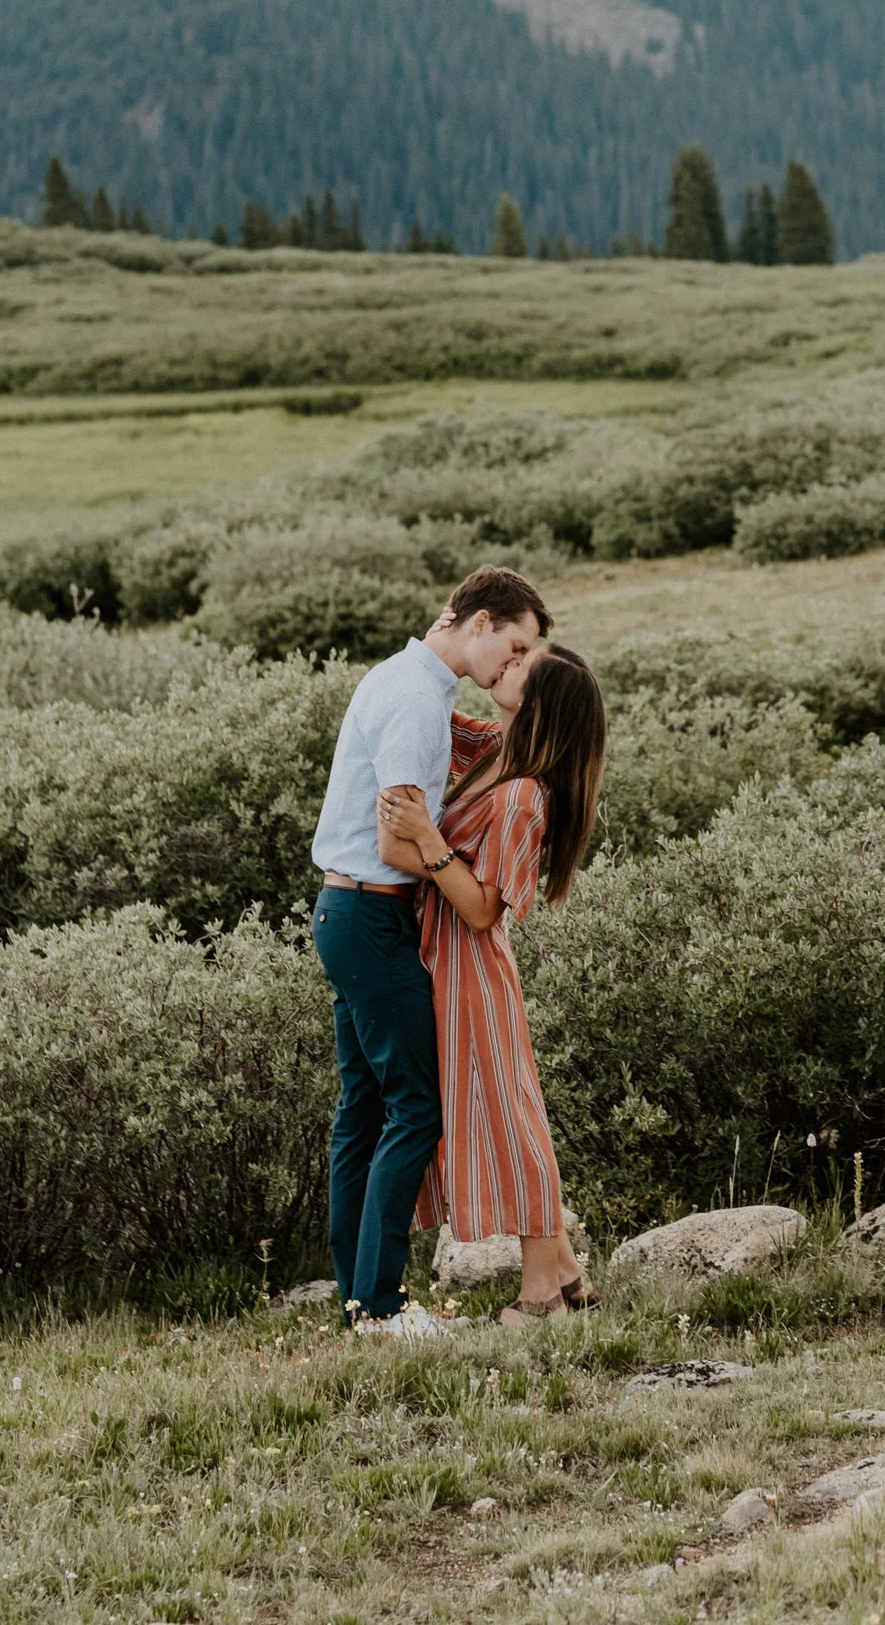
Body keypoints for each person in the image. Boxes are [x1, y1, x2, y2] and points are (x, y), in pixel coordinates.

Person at [310, 567, 551, 1335]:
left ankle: (358, 1300)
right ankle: (380, 1305)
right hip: (374, 916)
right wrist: (452, 861)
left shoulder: (406, 680)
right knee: (413, 1108)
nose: (508, 666)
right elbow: (395, 837)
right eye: (511, 647)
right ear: (478, 622)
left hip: (345, 911)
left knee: (364, 1113)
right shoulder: (418, 699)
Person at [378, 639, 606, 1324]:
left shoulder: (521, 798)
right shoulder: (493, 751)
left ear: (538, 702)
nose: (503, 666)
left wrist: (425, 834)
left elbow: (480, 909)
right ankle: (564, 1274)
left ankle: (541, 1296)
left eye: (518, 668)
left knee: (509, 1119)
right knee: (506, 1113)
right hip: (439, 957)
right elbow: (424, 706)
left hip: (469, 967)